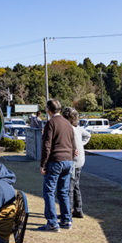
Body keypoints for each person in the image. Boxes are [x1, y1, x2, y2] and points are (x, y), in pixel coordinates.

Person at [39, 99, 76, 232]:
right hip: (68, 161)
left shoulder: (51, 123)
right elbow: (73, 143)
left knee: (49, 191)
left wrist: (43, 164)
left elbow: (46, 145)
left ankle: (52, 223)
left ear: (49, 110)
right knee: (63, 192)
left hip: (55, 160)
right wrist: (71, 157)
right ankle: (66, 220)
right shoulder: (67, 123)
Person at [62, 107, 90, 219]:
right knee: (76, 185)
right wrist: (81, 145)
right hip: (80, 160)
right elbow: (88, 135)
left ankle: (68, 212)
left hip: (74, 161)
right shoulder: (78, 128)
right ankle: (78, 210)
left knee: (69, 187)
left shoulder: (69, 129)